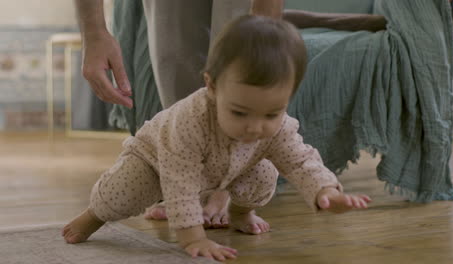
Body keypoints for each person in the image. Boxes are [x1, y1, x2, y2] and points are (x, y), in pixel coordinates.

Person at [62, 15, 371, 261]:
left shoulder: (276, 127)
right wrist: (193, 237)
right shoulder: (190, 121)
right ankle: (93, 216)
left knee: (265, 171)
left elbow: (301, 161)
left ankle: (241, 212)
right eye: (240, 112)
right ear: (211, 86)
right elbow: (179, 179)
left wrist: (325, 191)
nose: (255, 127)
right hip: (156, 161)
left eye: (270, 114)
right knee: (126, 190)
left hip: (222, 171)